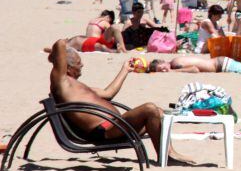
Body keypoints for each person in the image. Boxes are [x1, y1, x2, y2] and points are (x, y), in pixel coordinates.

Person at [46, 39, 194, 164]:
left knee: (159, 113)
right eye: (79, 63)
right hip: (104, 130)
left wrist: (125, 70)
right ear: (67, 67)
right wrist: (61, 48)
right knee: (149, 108)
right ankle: (167, 156)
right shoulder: (62, 83)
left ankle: (168, 153)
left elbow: (108, 93)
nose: (82, 65)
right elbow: (59, 44)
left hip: (114, 125)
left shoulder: (79, 87)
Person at [148, 55, 241, 74]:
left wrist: (173, 72)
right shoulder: (175, 60)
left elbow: (194, 69)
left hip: (222, 64)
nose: (164, 70)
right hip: (220, 63)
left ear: (162, 62)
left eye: (162, 68)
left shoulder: (175, 64)